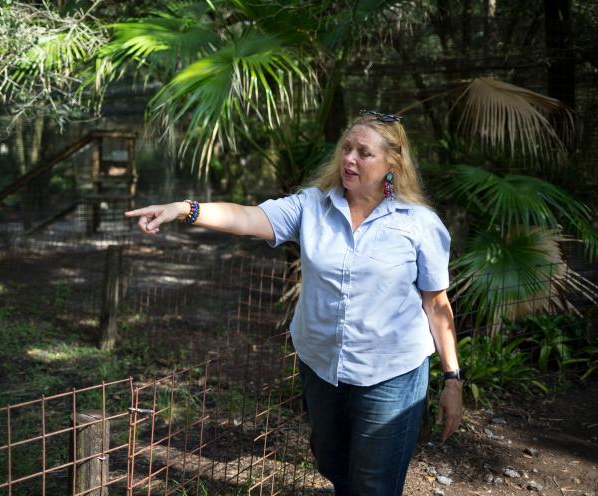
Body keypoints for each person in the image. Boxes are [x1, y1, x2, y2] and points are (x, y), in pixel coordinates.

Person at [125, 110, 463, 496]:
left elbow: (437, 305)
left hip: (390, 373)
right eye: (347, 148)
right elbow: (247, 217)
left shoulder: (419, 224)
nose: (349, 158)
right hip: (322, 367)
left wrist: (452, 379)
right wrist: (186, 209)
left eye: (363, 153)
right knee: (332, 463)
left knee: (375, 482)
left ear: (392, 163)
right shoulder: (312, 207)